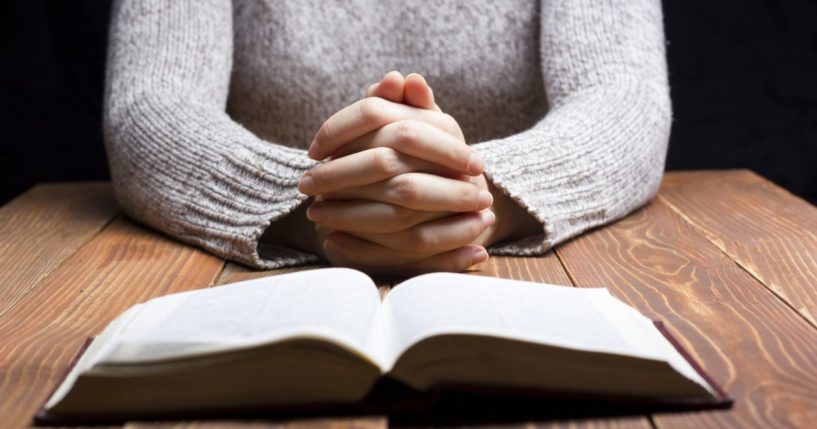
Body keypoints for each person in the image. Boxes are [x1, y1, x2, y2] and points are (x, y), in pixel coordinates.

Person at [104, 0, 671, 275]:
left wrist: (474, 198)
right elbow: (151, 106)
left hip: (518, 281)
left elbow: (625, 100)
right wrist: (317, 211)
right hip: (268, 283)